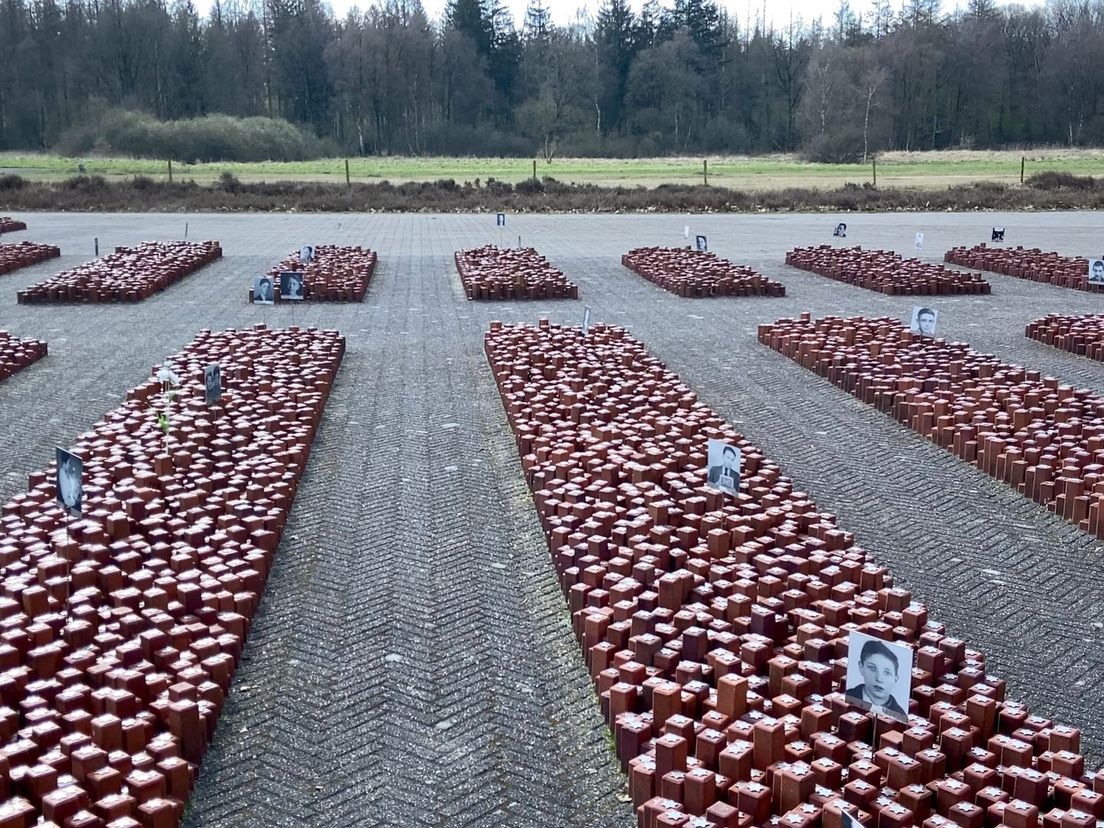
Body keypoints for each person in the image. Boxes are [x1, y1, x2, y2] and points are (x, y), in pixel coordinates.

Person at [846, 639, 908, 719]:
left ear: (895, 679)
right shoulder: (848, 695)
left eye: (887, 673)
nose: (879, 679)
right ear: (861, 667)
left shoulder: (900, 715)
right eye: (872, 668)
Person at [56, 449, 82, 514]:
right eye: (69, 463)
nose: (70, 465)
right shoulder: (63, 476)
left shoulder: (65, 473)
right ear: (66, 462)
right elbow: (67, 496)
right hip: (70, 503)